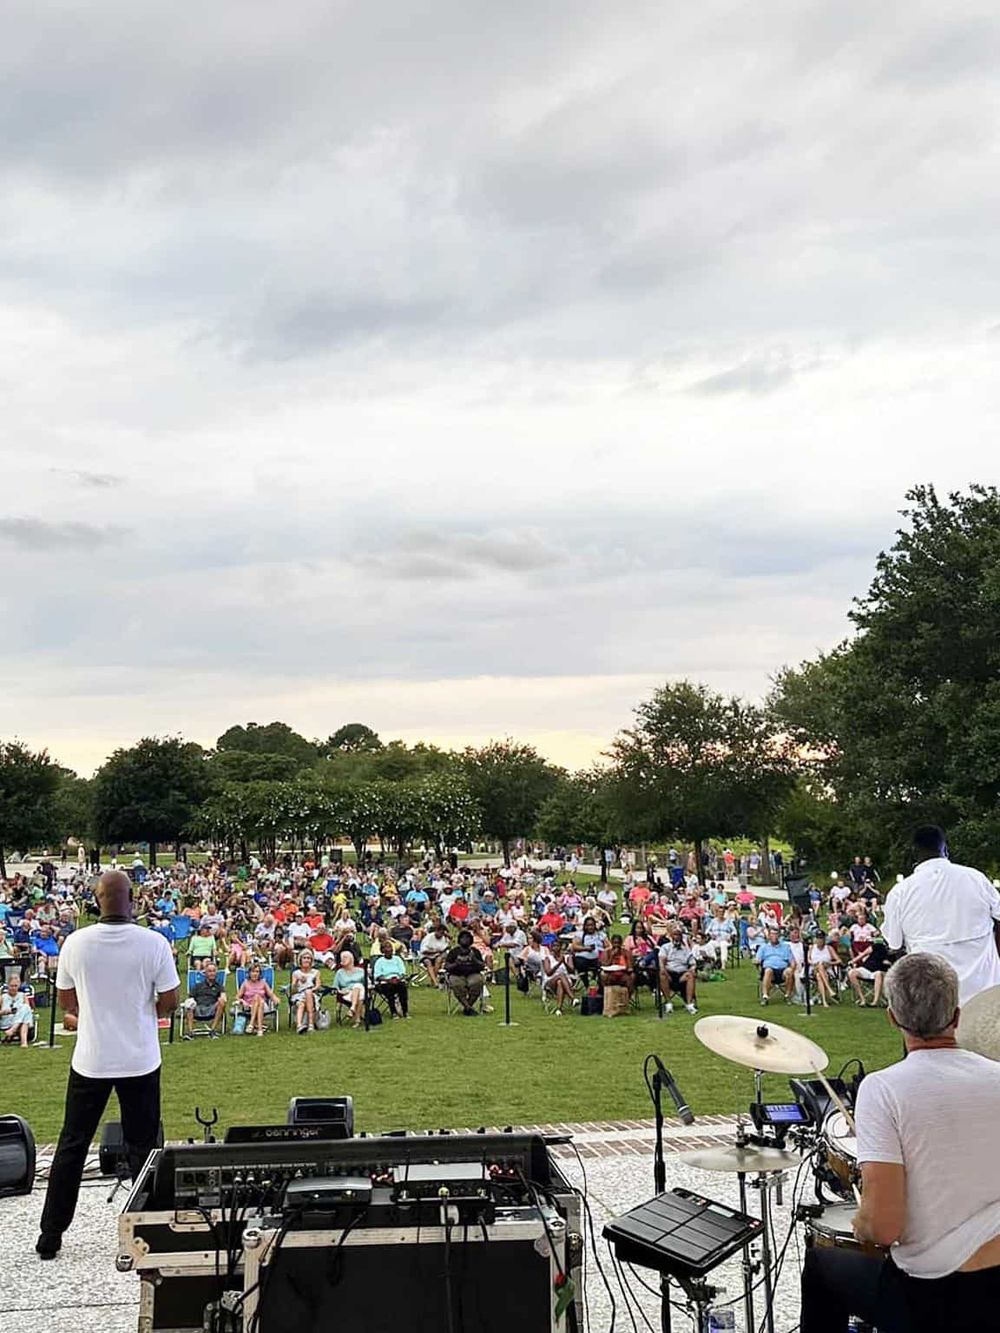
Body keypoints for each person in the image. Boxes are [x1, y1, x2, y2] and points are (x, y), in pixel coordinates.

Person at [800, 953, 1000, 1332]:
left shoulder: (884, 1089)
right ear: (956, 1017)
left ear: (892, 1017)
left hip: (933, 1294)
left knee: (822, 1266)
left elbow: (885, 1227)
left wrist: (862, 1224)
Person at [36, 871, 180, 1260]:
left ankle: (51, 1233)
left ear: (96, 900)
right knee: (144, 1148)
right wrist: (138, 1011)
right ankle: (150, 1228)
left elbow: (66, 1002)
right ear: (132, 899)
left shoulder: (76, 944)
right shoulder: (153, 943)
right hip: (140, 1058)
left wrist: (98, 1013)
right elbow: (169, 1001)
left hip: (92, 1059)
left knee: (72, 1145)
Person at [882, 825, 1000, 1004]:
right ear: (945, 849)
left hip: (934, 999)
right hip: (983, 990)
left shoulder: (901, 892)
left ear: (915, 853)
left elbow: (894, 943)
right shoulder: (975, 878)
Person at [657, 927, 699, 1014]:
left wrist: (692, 969)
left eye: (679, 935)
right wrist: (663, 969)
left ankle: (689, 1004)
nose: (677, 937)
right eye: (675, 935)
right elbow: (661, 961)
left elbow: (693, 963)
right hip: (669, 974)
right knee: (662, 974)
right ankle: (668, 1003)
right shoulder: (665, 947)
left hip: (682, 974)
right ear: (671, 936)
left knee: (691, 975)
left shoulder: (686, 950)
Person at [444, 929, 485, 1015]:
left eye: (467, 938)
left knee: (477, 982)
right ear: (459, 940)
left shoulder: (475, 951)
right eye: (463, 938)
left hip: (473, 973)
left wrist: (474, 960)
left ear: (471, 940)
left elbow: (482, 966)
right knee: (457, 984)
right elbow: (446, 966)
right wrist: (456, 963)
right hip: (456, 974)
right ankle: (468, 1008)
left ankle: (467, 1007)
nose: (465, 940)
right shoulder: (454, 952)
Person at [183, 960, 227, 1038]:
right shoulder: (198, 986)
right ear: (205, 973)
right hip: (198, 1008)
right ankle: (190, 1032)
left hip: (211, 1008)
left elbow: (224, 997)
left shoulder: (219, 987)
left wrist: (223, 998)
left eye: (214, 971)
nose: (212, 973)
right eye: (209, 971)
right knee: (189, 1003)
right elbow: (190, 998)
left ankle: (212, 1030)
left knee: (222, 1001)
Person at [756, 927, 796, 1004]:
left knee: (789, 971)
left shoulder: (785, 946)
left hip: (782, 970)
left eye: (776, 934)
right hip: (769, 970)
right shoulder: (763, 947)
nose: (774, 936)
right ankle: (765, 996)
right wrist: (756, 962)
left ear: (779, 936)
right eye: (772, 934)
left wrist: (793, 968)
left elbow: (792, 961)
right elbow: (758, 959)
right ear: (769, 936)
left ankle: (787, 995)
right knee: (768, 971)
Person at [236, 962, 277, 1036]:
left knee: (257, 998)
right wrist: (242, 1001)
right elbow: (237, 997)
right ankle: (260, 1030)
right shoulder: (245, 983)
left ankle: (251, 1024)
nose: (255, 974)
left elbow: (271, 994)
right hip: (249, 1006)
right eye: (253, 971)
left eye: (257, 971)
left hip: (264, 1007)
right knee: (259, 1000)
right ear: (249, 973)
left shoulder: (263, 982)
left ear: (260, 973)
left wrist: (275, 999)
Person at [332, 950, 366, 1027]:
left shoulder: (361, 971)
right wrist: (340, 991)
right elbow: (334, 987)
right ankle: (357, 1018)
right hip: (347, 994)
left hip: (361, 992)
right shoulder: (339, 972)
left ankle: (353, 1009)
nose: (343, 959)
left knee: (358, 986)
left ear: (351, 959)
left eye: (345, 957)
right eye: (341, 958)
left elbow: (368, 984)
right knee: (360, 993)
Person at [290, 949, 321, 1033]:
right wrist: (297, 982)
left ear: (311, 960)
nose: (306, 960)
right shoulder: (296, 973)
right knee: (301, 1004)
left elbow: (318, 986)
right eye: (304, 958)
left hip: (312, 994)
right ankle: (300, 1026)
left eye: (309, 958)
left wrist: (311, 989)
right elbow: (293, 989)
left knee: (308, 992)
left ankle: (310, 1024)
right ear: (300, 960)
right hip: (299, 995)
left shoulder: (316, 972)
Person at [372, 948, 409, 1018]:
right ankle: (393, 1012)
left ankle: (405, 1011)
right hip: (385, 982)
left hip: (398, 980)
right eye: (387, 951)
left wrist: (399, 979)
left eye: (390, 951)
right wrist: (388, 980)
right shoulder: (379, 961)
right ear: (383, 952)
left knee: (403, 988)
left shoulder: (397, 959)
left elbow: (403, 972)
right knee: (389, 989)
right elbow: (377, 976)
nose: (389, 953)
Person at [0, 976, 34, 1046]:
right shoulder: (2, 997)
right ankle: (23, 1042)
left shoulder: (23, 996)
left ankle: (13, 1030)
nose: (13, 988)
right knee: (25, 1009)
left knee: (26, 1007)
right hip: (7, 1022)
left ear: (19, 985)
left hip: (21, 1023)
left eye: (16, 986)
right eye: (11, 986)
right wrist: (4, 1012)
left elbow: (28, 1011)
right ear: (8, 985)